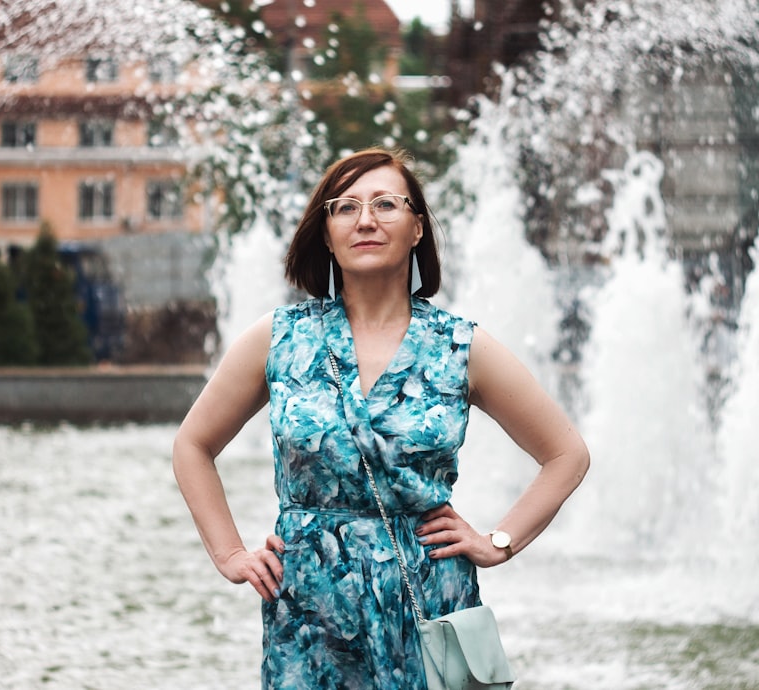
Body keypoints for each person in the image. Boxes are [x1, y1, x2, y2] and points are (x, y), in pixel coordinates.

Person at [172, 148, 590, 689]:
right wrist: (229, 553)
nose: (365, 219)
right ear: (325, 233)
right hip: (310, 610)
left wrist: (498, 542)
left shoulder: (461, 347)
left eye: (386, 204)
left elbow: (566, 454)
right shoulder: (279, 339)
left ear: (417, 227)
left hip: (428, 599)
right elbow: (192, 445)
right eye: (345, 207)